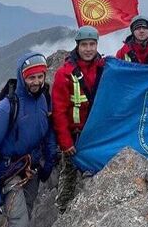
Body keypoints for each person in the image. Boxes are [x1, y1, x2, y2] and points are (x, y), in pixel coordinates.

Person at [0, 52, 57, 227]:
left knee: (26, 213)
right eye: (31, 78)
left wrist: (49, 160)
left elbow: (48, 130)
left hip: (31, 168)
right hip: (8, 172)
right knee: (19, 221)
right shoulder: (7, 108)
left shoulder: (43, 99)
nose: (36, 82)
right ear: (22, 78)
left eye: (40, 76)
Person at [51, 25, 104, 213]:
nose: (88, 49)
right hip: (74, 137)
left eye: (92, 44)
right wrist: (65, 143)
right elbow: (58, 112)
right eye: (84, 45)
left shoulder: (104, 68)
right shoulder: (64, 74)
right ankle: (63, 213)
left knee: (96, 174)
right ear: (77, 46)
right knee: (69, 176)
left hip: (96, 134)